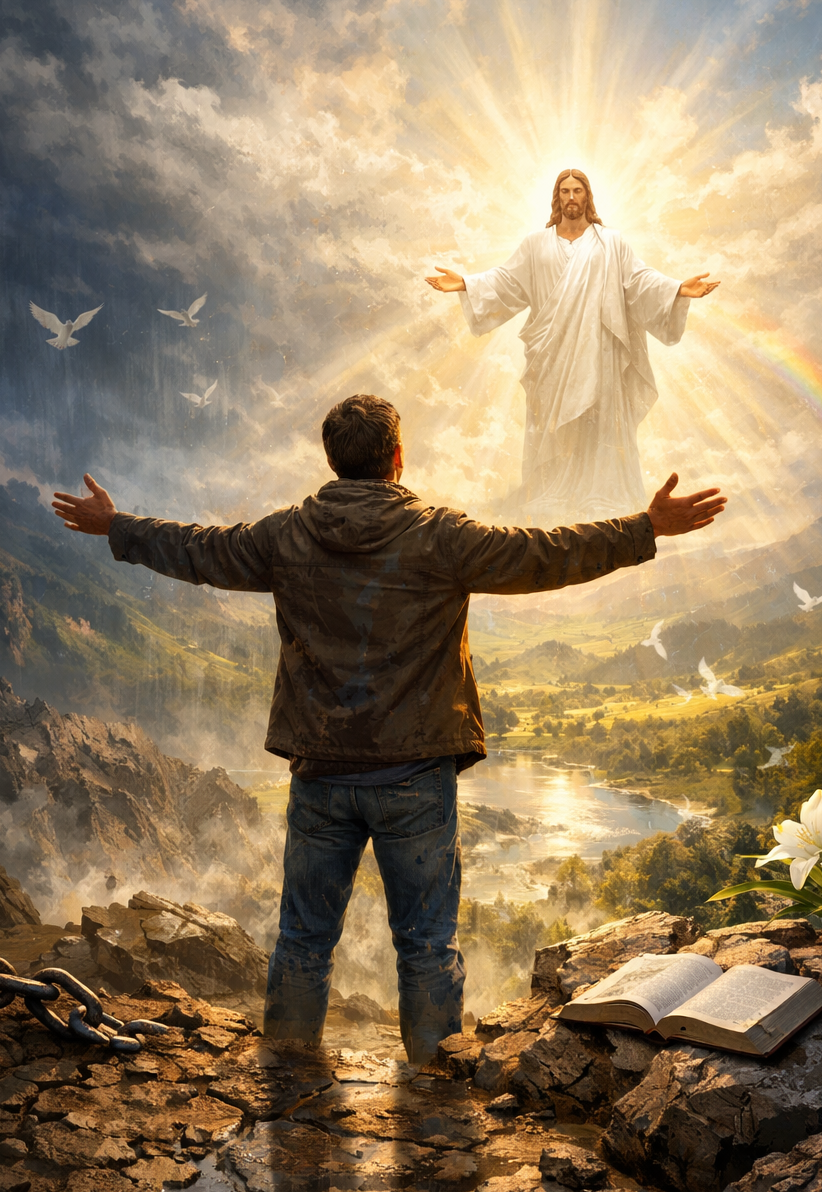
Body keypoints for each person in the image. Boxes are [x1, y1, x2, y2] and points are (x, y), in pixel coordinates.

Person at [52, 394, 726, 1062]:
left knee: (304, 941)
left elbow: (200, 550)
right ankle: (435, 1089)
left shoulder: (287, 536)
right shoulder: (441, 536)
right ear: (397, 458)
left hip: (321, 775)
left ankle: (286, 1079)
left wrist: (119, 527)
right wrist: (646, 527)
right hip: (415, 777)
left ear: (333, 460)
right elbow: (545, 554)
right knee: (428, 946)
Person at [426, 168, 720, 525]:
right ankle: (553, 490)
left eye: (577, 190)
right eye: (564, 190)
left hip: (600, 353)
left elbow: (639, 281)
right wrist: (467, 284)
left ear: (587, 196)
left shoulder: (612, 243)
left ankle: (602, 493)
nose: (570, 197)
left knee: (600, 421)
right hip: (552, 356)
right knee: (554, 427)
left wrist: (676, 290)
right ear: (556, 197)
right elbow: (506, 281)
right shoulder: (536, 244)